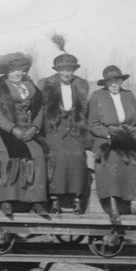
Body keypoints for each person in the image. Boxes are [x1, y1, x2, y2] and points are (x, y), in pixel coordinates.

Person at [87, 64, 136, 224]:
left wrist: (135, 138)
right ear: (105, 83)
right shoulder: (97, 97)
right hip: (107, 140)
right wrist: (109, 135)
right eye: (110, 81)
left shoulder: (128, 96)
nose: (114, 84)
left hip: (128, 138)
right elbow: (93, 124)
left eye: (117, 81)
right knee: (112, 159)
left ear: (121, 81)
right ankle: (113, 206)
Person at [0, 52, 50, 219]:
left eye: (20, 70)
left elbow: (40, 109)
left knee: (38, 155)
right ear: (6, 71)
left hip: (27, 131)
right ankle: (7, 199)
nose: (17, 73)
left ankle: (37, 200)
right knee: (8, 157)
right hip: (5, 131)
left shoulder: (31, 86)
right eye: (13, 70)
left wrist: (34, 127)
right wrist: (12, 128)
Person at [38, 52, 91, 214]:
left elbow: (84, 113)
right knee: (57, 155)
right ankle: (55, 198)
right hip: (54, 129)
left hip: (74, 130)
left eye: (69, 70)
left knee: (78, 154)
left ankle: (77, 198)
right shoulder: (46, 84)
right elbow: (39, 111)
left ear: (74, 70)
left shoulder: (81, 85)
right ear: (57, 70)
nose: (66, 73)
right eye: (63, 70)